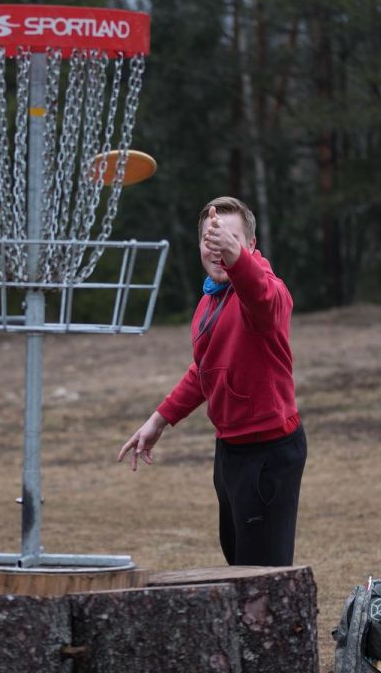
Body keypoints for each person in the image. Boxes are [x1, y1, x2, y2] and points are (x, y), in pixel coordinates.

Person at [118, 197, 306, 566]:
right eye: (210, 239)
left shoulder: (267, 291)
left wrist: (236, 259)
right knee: (238, 563)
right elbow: (204, 369)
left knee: (260, 580)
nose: (217, 248)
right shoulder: (211, 300)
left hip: (268, 452)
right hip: (230, 451)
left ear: (250, 245)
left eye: (229, 239)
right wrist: (158, 420)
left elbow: (262, 297)